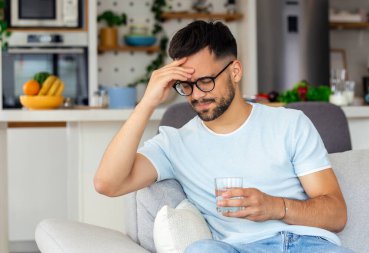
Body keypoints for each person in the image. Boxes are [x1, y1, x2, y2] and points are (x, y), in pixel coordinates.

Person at [94, 21, 353, 253]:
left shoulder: (290, 124)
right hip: (236, 249)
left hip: (306, 245)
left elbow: (336, 214)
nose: (196, 95)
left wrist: (275, 207)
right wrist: (147, 102)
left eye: (205, 81)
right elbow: (107, 183)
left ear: (235, 71)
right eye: (186, 85)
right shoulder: (174, 143)